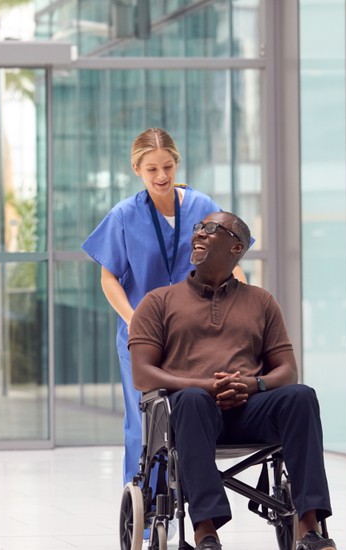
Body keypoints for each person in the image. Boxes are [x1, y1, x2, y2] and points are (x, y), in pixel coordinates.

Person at [128, 211, 337, 550]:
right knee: (193, 400)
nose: (199, 233)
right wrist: (204, 386)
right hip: (189, 413)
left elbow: (287, 369)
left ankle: (309, 528)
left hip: (248, 409)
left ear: (236, 246)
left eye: (211, 229)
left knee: (301, 395)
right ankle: (205, 532)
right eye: (198, 228)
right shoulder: (158, 302)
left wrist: (253, 385)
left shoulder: (261, 302)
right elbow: (142, 373)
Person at [82, 128, 244, 486]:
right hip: (144, 338)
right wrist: (134, 320)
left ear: (177, 164)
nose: (162, 176)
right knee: (145, 425)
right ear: (137, 169)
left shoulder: (203, 208)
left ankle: (193, 499)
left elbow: (231, 264)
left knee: (194, 415)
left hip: (199, 334)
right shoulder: (124, 215)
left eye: (168, 166)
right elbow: (109, 280)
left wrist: (248, 313)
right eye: (152, 168)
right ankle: (147, 512)